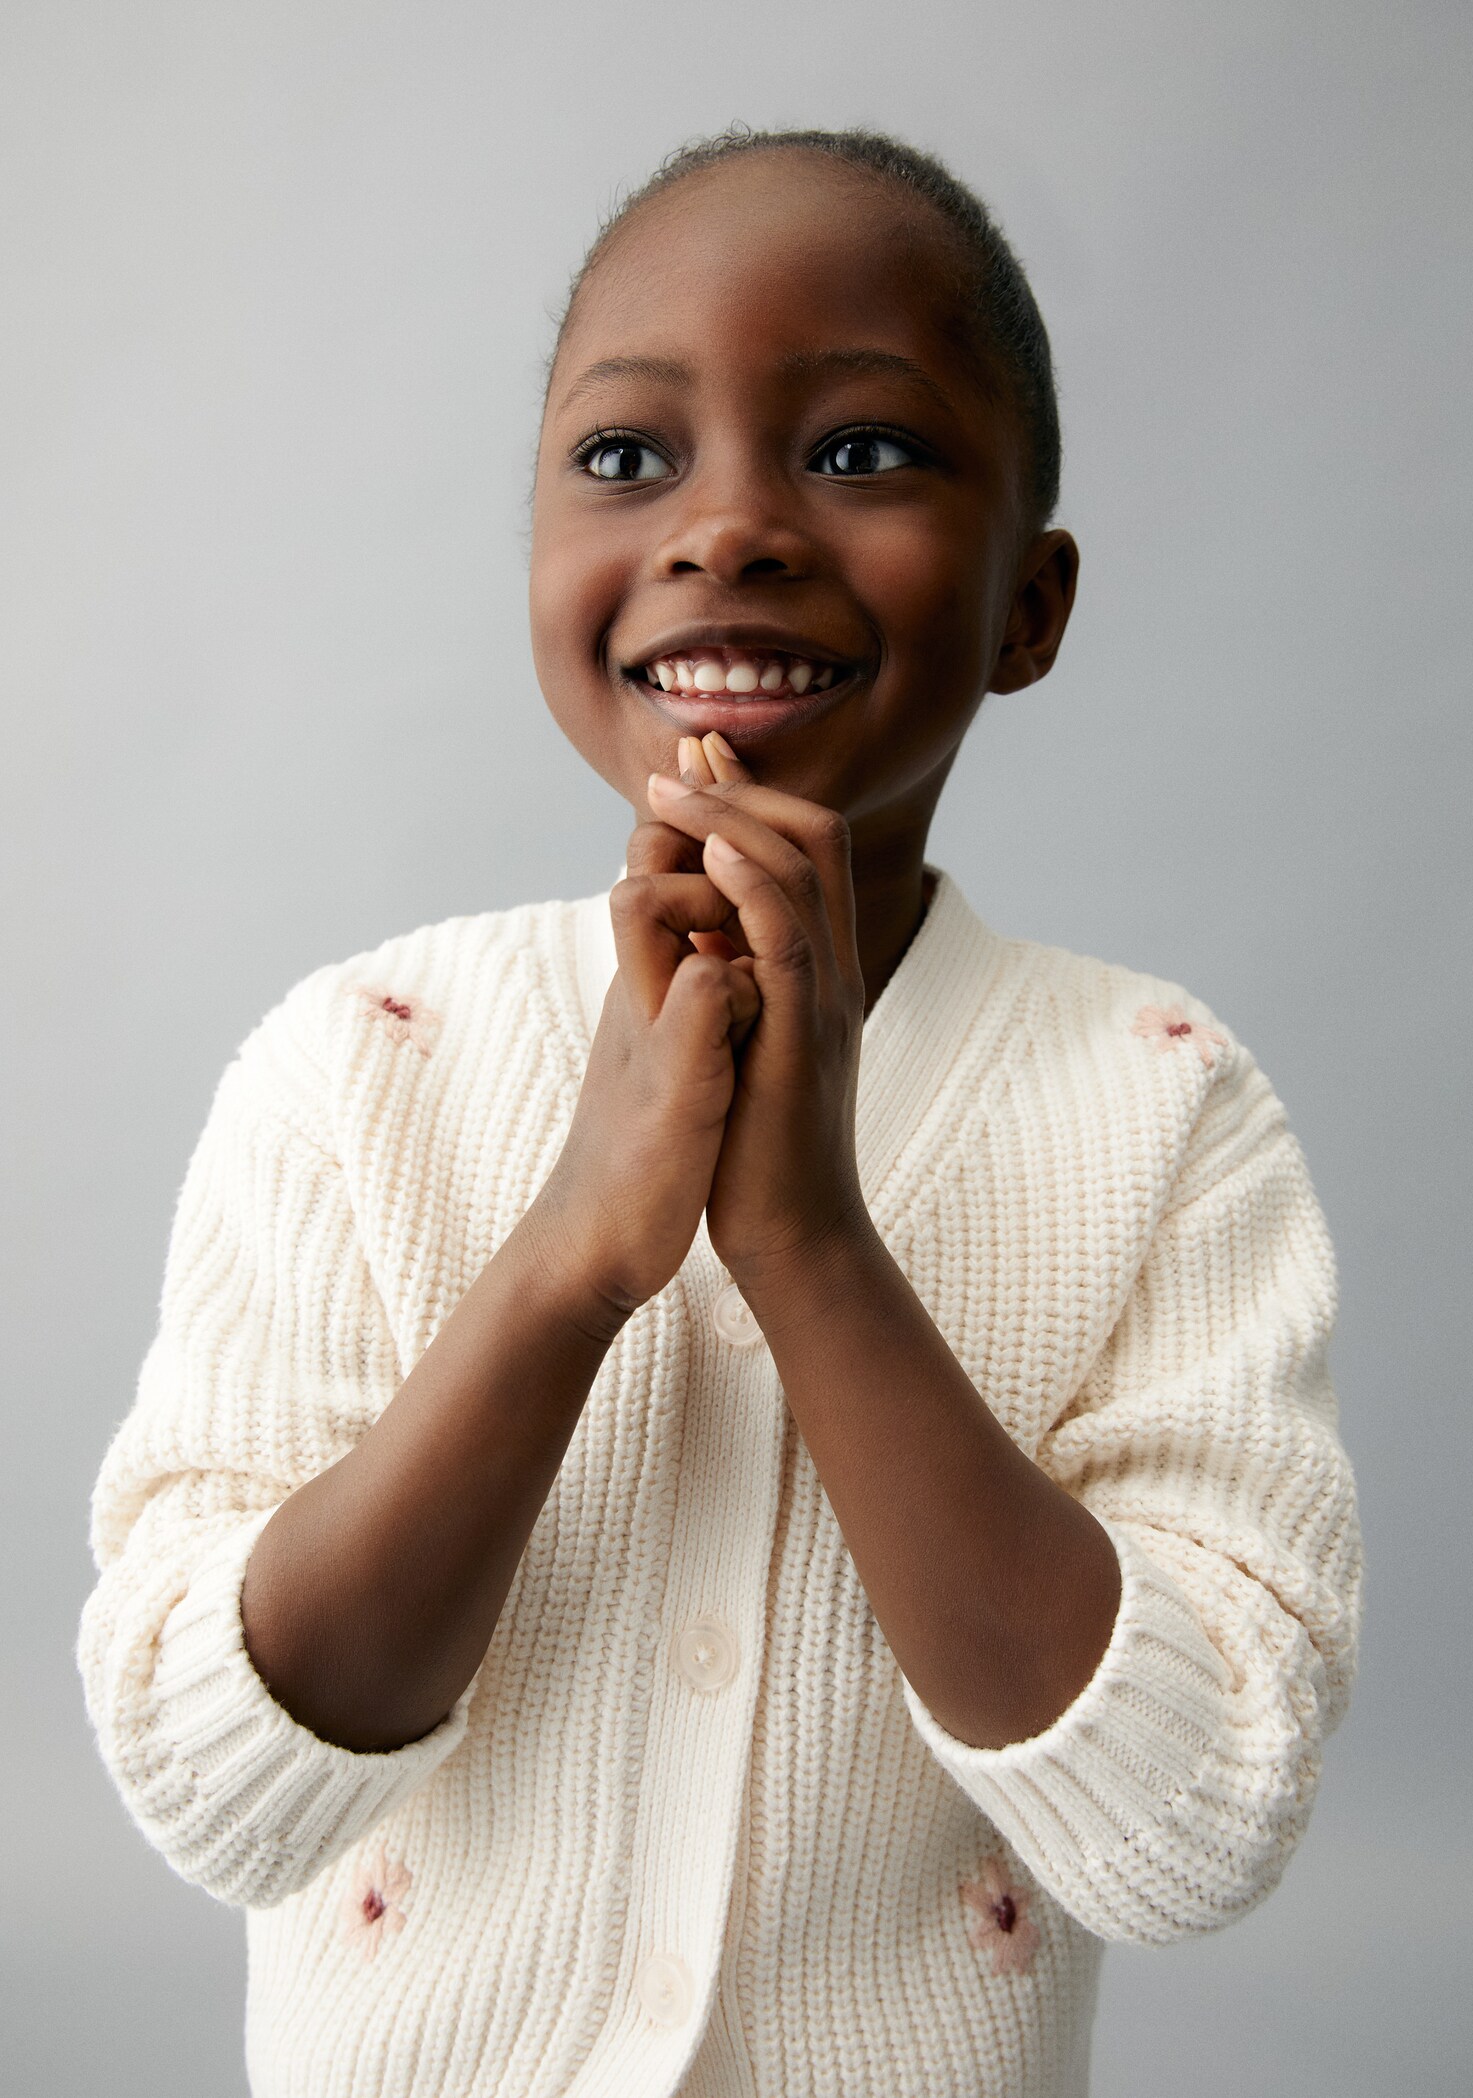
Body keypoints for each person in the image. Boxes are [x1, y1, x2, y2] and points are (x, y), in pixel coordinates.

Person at [77, 126, 1364, 2098]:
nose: (730, 525)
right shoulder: (363, 1058)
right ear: (533, 554)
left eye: (860, 449)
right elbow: (215, 1783)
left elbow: (1190, 1830)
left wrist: (815, 1247)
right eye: (625, 456)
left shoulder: (1165, 1108)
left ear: (1031, 604)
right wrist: (567, 1261)